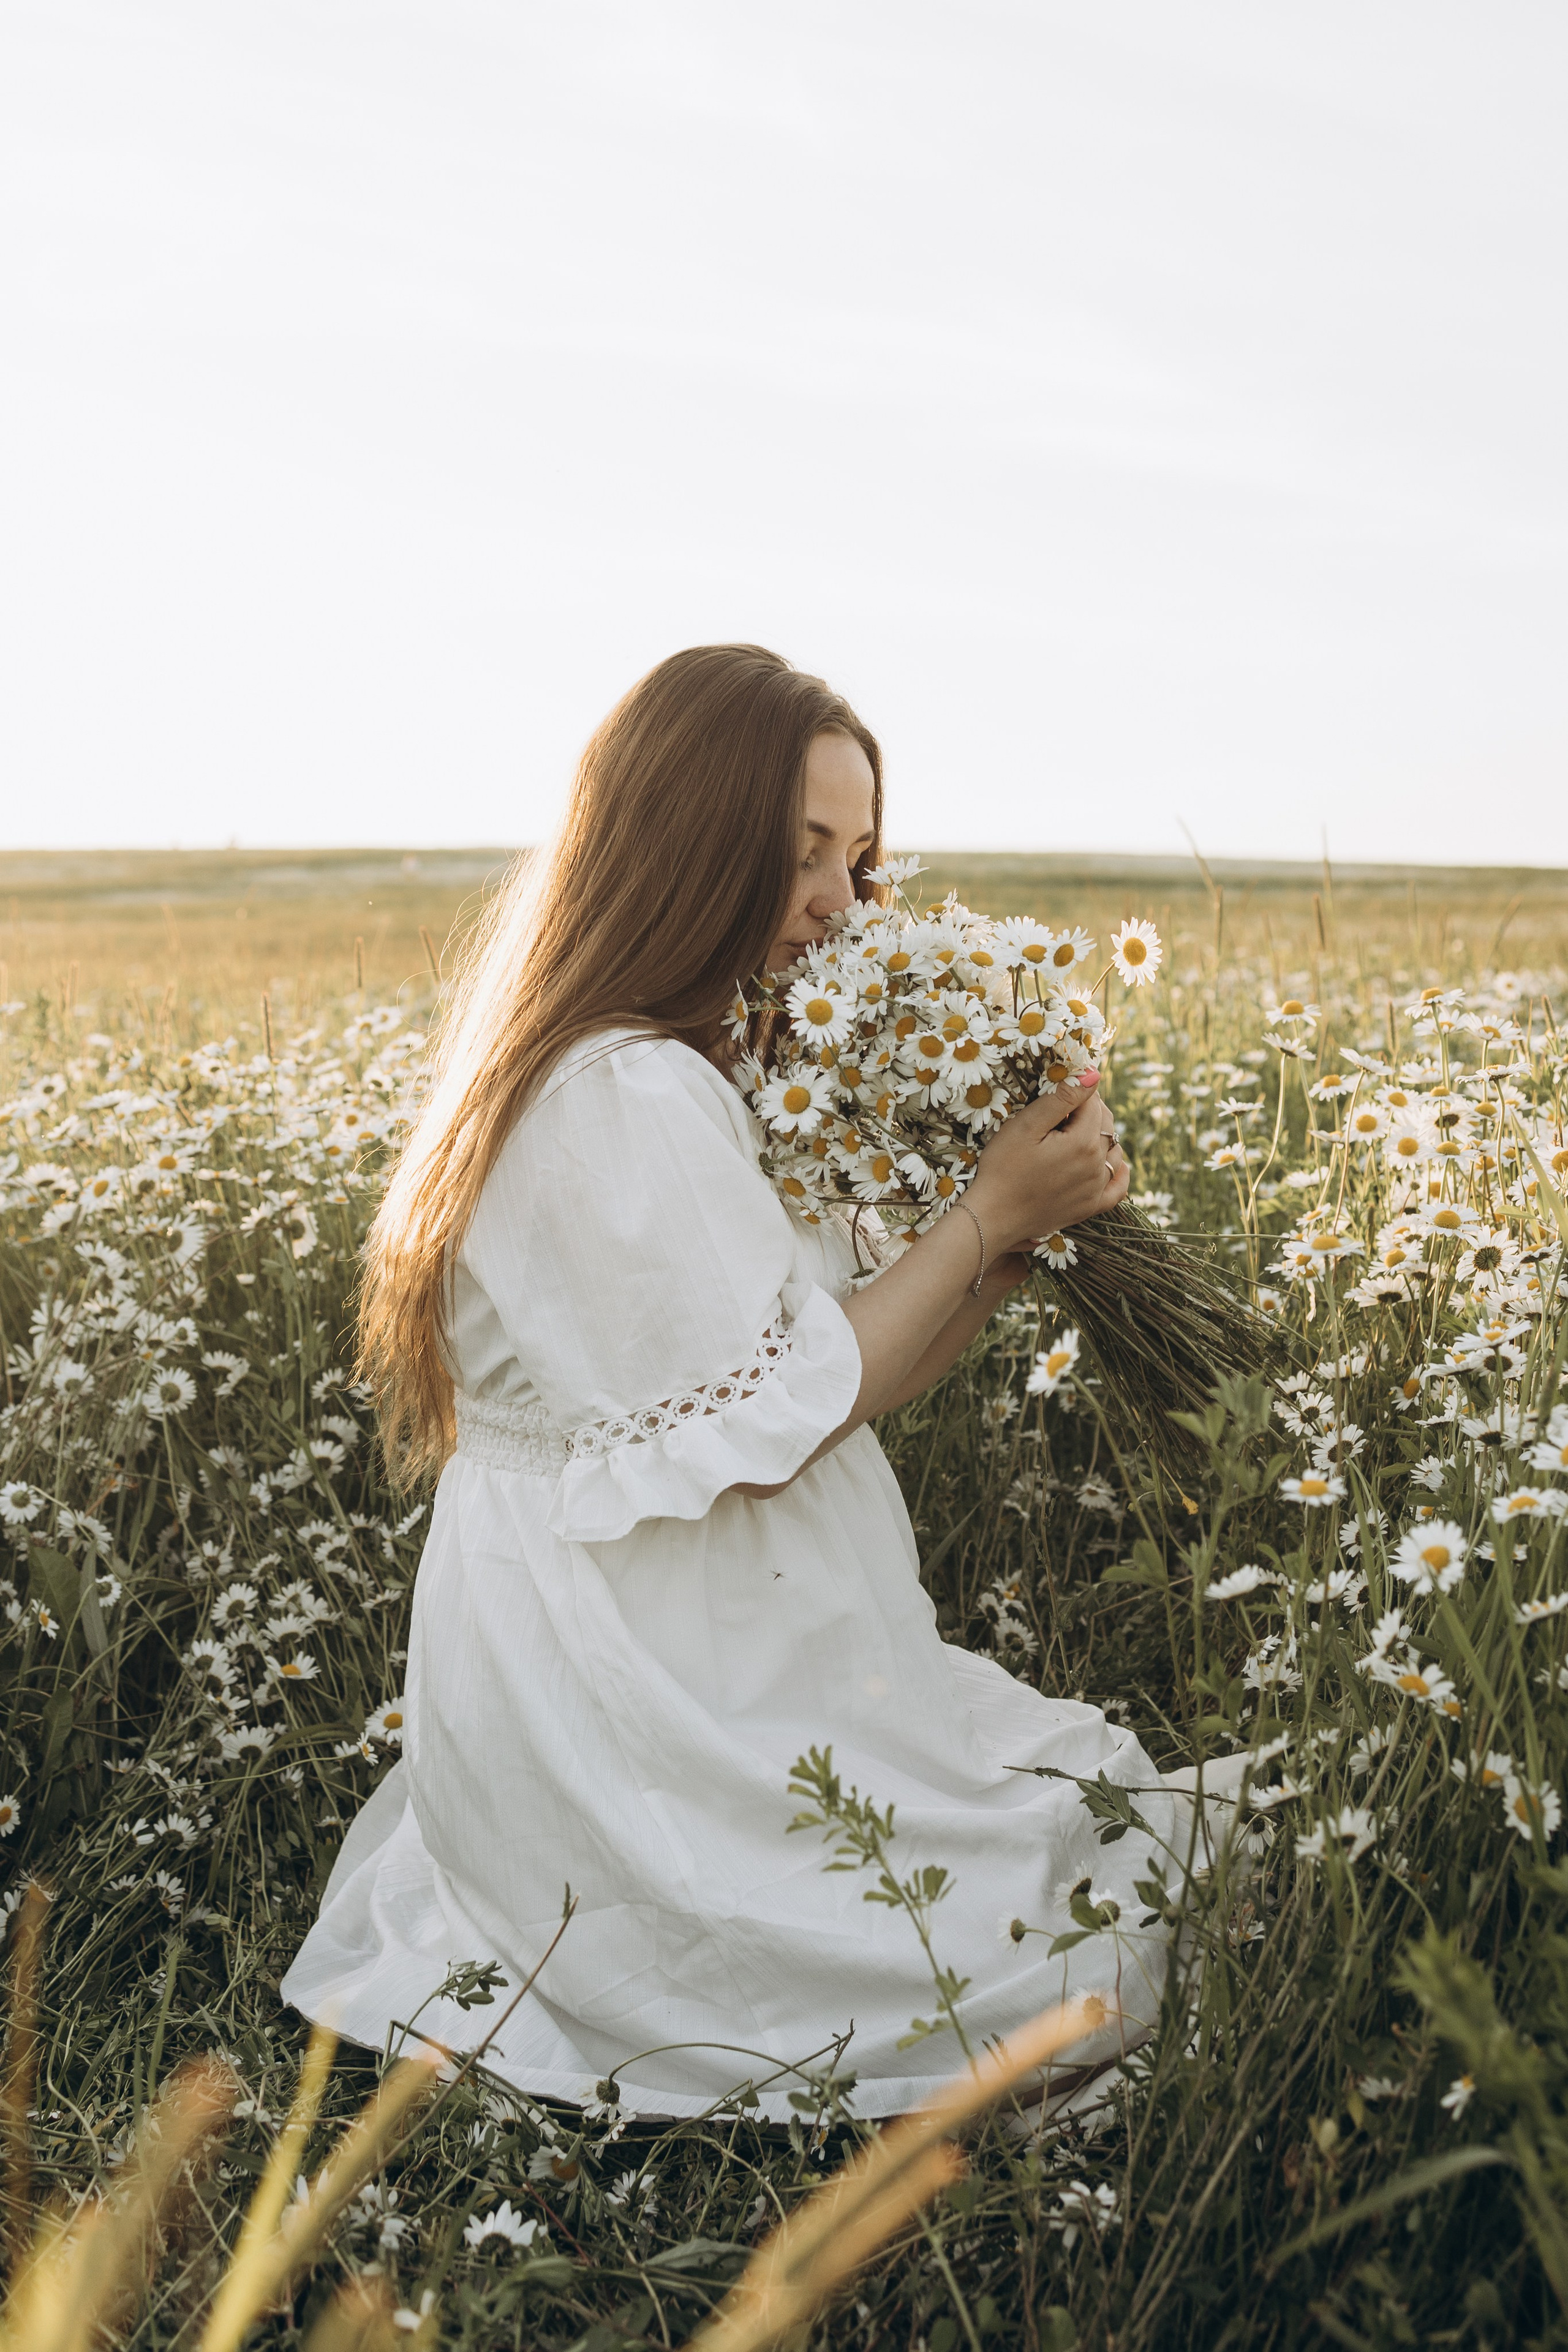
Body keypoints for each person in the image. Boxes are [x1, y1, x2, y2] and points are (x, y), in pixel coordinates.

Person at [281, 643, 1186, 2122]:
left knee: (1052, 1838)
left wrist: (1006, 1247)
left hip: (698, 1628)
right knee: (1024, 1933)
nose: (841, 898)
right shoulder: (610, 1094)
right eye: (801, 851)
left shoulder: (678, 1066)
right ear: (686, 842)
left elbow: (821, 1368)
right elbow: (777, 1431)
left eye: (862, 854)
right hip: (638, 1676)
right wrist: (986, 1216)